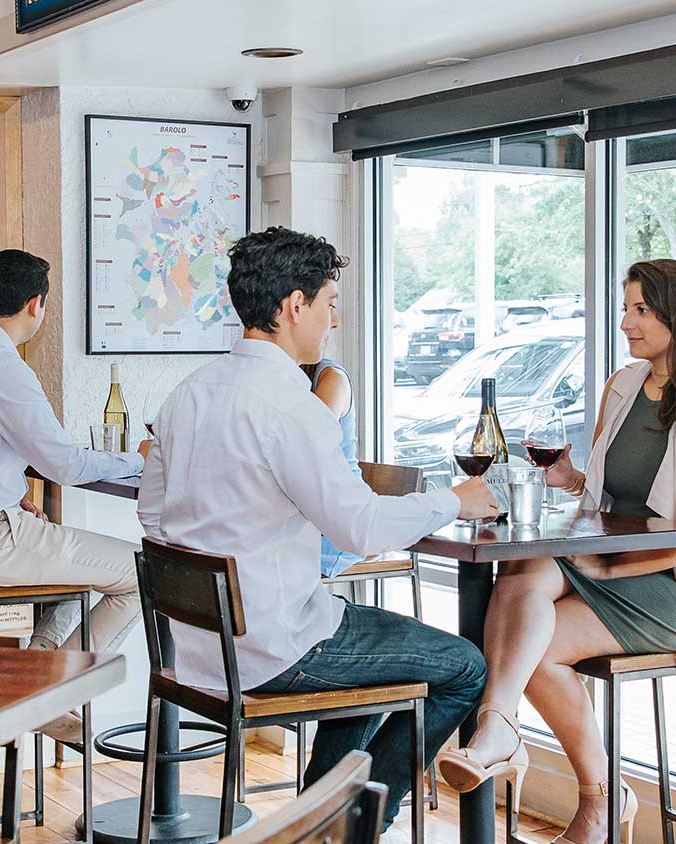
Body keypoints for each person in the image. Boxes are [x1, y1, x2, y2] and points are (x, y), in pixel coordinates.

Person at [138, 227, 499, 831]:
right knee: (465, 666)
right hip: (278, 648)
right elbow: (360, 527)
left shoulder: (187, 393)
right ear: (293, 306)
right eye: (329, 303)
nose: (332, 321)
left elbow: (152, 515)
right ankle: (344, 825)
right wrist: (455, 501)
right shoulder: (292, 408)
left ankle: (318, 821)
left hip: (206, 650)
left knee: (364, 658)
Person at [434, 259, 676, 844]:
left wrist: (601, 562)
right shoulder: (623, 386)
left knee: (524, 631)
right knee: (528, 567)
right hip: (616, 570)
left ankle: (579, 786)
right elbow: (617, 499)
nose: (627, 323)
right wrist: (569, 478)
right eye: (627, 308)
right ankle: (510, 736)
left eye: (641, 310)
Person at [0, 248, 148, 742]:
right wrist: (142, 458)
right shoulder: (4, 368)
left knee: (73, 559)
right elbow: (66, 465)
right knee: (141, 573)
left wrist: (12, 493)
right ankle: (45, 694)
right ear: (36, 305)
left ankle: (34, 674)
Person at [301, 356, 362, 577]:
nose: (334, 322)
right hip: (304, 519)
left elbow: (310, 454)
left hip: (338, 525)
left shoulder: (332, 379)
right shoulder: (278, 378)